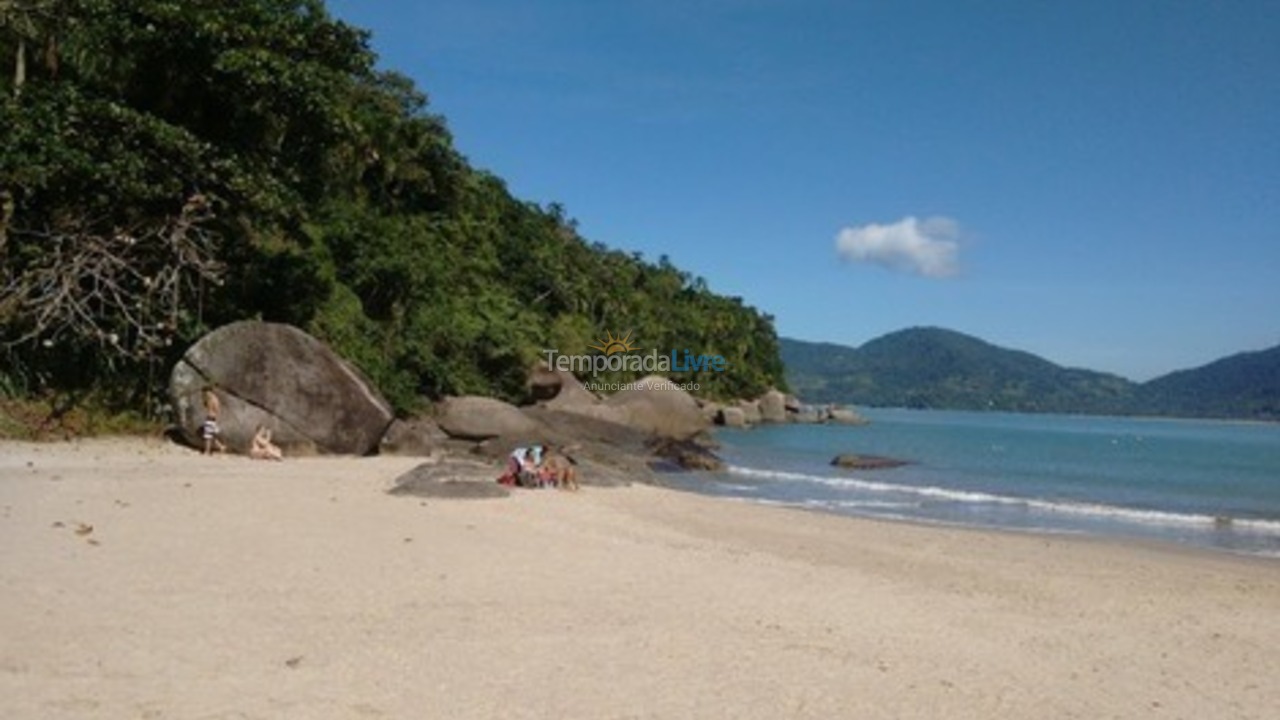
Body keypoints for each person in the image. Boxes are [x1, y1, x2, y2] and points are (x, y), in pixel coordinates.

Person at [200, 386, 226, 455]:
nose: (206, 394)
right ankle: (221, 447)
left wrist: (216, 420)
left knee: (208, 436)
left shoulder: (214, 399)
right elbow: (206, 407)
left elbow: (217, 410)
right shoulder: (209, 399)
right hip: (209, 419)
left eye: (206, 392)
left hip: (211, 419)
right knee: (211, 436)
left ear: (210, 391)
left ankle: (207, 451)